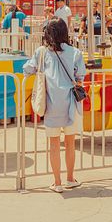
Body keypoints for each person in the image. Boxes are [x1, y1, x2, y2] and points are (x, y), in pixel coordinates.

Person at [23, 18, 86, 193]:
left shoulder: (41, 52)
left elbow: (27, 69)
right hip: (71, 105)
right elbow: (80, 76)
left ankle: (57, 182)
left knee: (54, 144)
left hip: (51, 105)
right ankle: (70, 178)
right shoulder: (75, 52)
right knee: (71, 143)